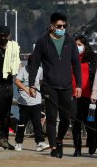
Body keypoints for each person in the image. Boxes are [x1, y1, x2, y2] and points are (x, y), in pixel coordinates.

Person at [28, 12, 82, 158]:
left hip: (66, 86)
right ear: (51, 26)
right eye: (59, 26)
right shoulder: (42, 42)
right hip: (49, 85)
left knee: (66, 118)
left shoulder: (70, 41)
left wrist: (79, 85)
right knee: (51, 118)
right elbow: (34, 64)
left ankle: (59, 140)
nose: (62, 28)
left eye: (64, 26)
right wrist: (31, 84)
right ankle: (53, 147)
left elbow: (76, 64)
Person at [14, 56, 50, 152]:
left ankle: (40, 143)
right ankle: (18, 142)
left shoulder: (40, 70)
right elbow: (16, 81)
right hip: (24, 102)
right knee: (22, 123)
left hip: (36, 101)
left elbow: (41, 82)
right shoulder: (23, 70)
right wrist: (26, 89)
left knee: (37, 122)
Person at [71, 35, 97, 157]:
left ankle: (92, 142)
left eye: (80, 44)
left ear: (85, 45)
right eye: (76, 44)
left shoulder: (92, 57)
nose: (78, 47)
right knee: (76, 122)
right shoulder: (70, 57)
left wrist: (95, 92)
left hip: (88, 94)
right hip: (74, 95)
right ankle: (77, 148)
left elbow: (96, 75)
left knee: (90, 121)